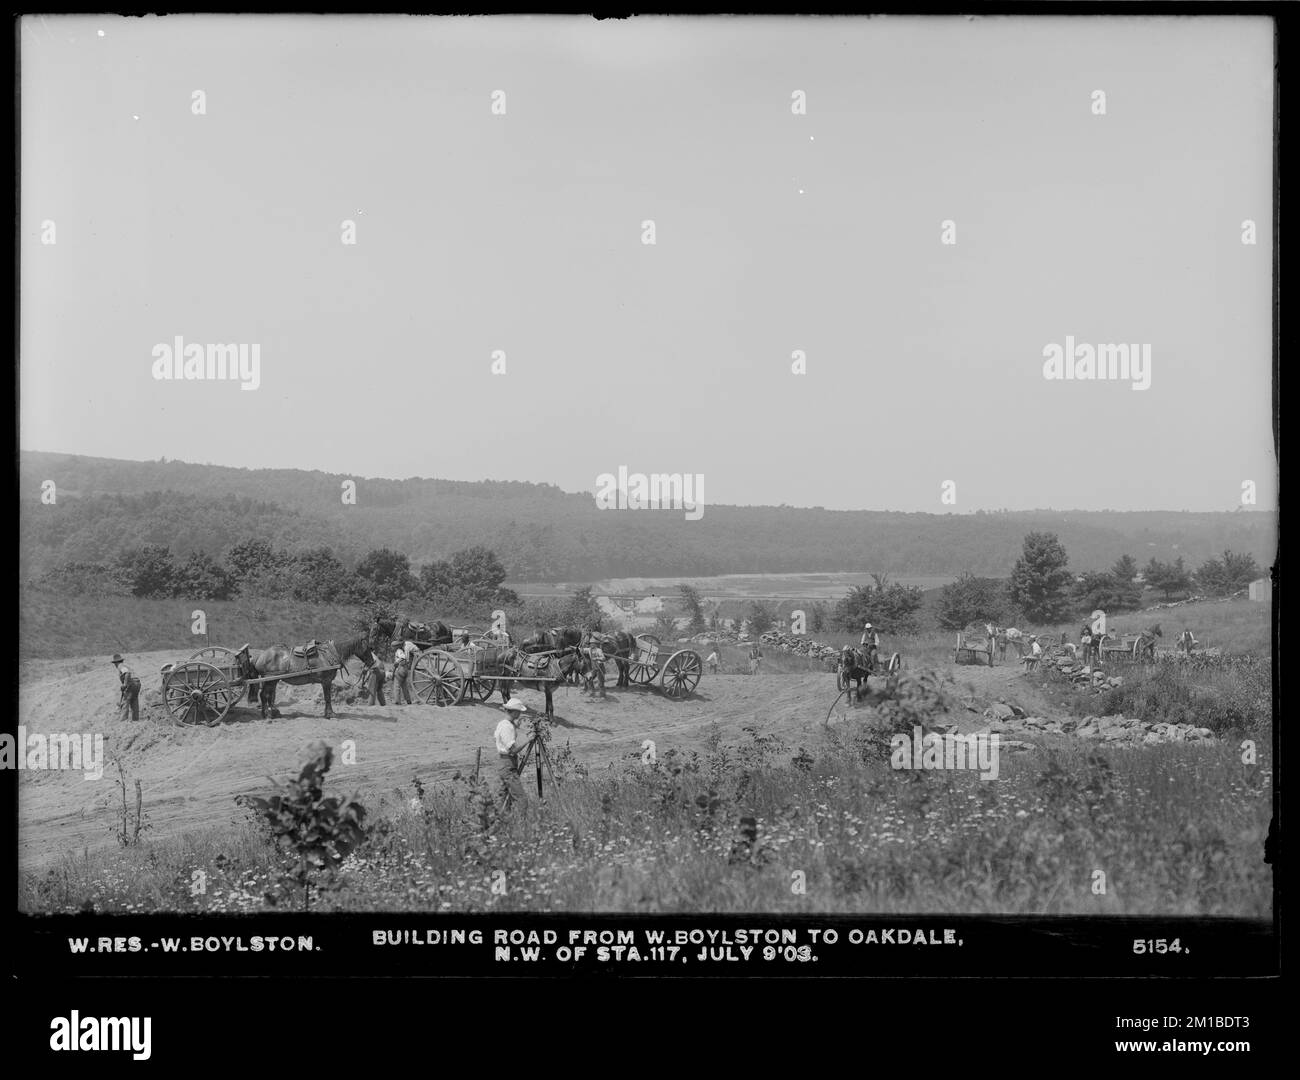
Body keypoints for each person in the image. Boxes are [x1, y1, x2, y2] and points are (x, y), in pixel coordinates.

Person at [494, 698, 528, 807]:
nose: (520, 714)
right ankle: (521, 818)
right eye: (519, 711)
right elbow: (513, 750)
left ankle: (500, 816)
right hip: (508, 764)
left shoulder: (505, 724)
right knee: (521, 798)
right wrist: (528, 740)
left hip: (505, 763)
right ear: (514, 711)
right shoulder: (506, 727)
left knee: (504, 800)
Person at [111, 654, 141, 722]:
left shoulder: (120, 666)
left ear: (115, 663)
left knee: (125, 702)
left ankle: (123, 721)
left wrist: (124, 685)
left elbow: (127, 673)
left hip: (131, 684)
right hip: (137, 684)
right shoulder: (127, 666)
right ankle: (135, 720)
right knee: (134, 701)